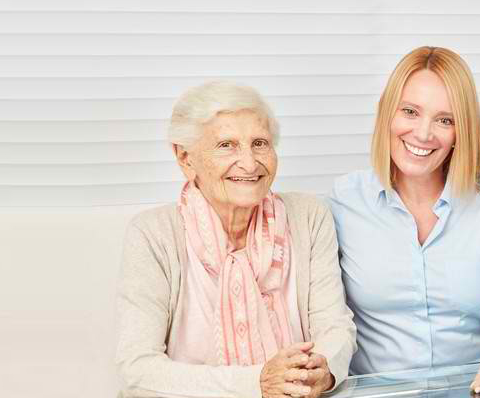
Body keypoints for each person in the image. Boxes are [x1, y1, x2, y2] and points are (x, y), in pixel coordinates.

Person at [117, 81, 356, 398]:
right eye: (226, 145)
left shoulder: (308, 216)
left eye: (259, 143)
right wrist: (256, 383)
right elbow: (138, 369)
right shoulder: (152, 234)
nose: (249, 162)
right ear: (185, 158)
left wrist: (322, 371)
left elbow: (335, 327)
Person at [328, 47, 480, 391]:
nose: (423, 133)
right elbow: (326, 323)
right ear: (387, 113)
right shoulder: (343, 200)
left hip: (474, 388)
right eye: (410, 112)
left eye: (445, 120)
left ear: (463, 130)